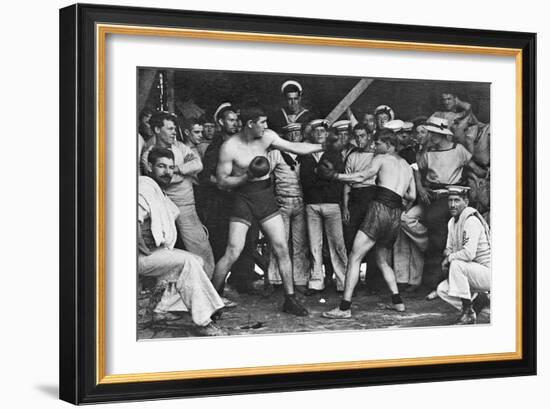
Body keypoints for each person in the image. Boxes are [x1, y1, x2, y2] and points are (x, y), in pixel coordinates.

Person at [211, 105, 325, 316]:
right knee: (233, 250)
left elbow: (294, 147)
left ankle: (290, 300)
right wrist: (246, 177)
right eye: (261, 122)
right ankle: (211, 300)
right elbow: (221, 182)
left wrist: (322, 146)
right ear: (250, 124)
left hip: (264, 196)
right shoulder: (230, 147)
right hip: (243, 197)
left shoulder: (267, 137)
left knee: (281, 246)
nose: (266, 126)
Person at [321, 129, 416, 318]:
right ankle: (398, 303)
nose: (375, 146)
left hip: (380, 209)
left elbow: (361, 177)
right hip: (395, 213)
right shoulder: (406, 165)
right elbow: (411, 195)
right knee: (382, 259)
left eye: (378, 143)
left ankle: (344, 308)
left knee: (355, 256)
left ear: (388, 145)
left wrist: (335, 176)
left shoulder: (381, 158)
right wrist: (394, 192)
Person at [138, 147, 227, 336]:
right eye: (161, 166)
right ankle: (203, 321)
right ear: (149, 166)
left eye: (171, 167)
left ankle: (161, 310)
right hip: (137, 257)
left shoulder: (158, 190)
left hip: (153, 253)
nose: (167, 172)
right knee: (187, 262)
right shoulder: (144, 186)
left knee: (197, 260)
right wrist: (140, 247)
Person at [141, 111, 215, 278]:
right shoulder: (149, 152)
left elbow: (198, 164)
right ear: (157, 129)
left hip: (186, 204)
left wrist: (178, 169)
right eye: (170, 129)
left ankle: (210, 288)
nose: (174, 132)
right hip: (164, 208)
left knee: (200, 246)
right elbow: (166, 179)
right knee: (163, 248)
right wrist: (184, 173)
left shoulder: (180, 147)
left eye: (175, 128)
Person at [197, 103, 261, 294]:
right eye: (231, 120)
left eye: (237, 120)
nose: (235, 124)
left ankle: (243, 281)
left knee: (248, 240)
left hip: (242, 199)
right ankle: (217, 289)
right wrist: (223, 184)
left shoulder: (241, 144)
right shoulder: (216, 147)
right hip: (221, 202)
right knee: (222, 243)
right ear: (220, 122)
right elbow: (205, 176)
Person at [299, 120, 348, 294]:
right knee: (314, 245)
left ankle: (343, 282)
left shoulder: (334, 154)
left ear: (327, 134)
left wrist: (319, 177)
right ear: (311, 134)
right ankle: (316, 282)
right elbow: (305, 181)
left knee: (337, 245)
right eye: (316, 131)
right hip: (312, 203)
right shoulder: (305, 155)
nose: (319, 133)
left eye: (323, 131)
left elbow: (338, 179)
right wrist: (322, 177)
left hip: (332, 203)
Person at [436, 186, 491, 324]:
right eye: (450, 200)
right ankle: (477, 305)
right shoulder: (452, 222)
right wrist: (449, 255)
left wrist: (449, 258)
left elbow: (469, 254)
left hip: (488, 272)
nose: (452, 204)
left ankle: (468, 312)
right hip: (472, 272)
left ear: (466, 202)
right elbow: (448, 249)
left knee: (456, 264)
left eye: (457, 200)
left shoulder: (470, 221)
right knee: (442, 289)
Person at [266, 122, 311, 290]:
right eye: (290, 134)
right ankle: (275, 279)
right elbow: (266, 176)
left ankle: (300, 280)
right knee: (279, 243)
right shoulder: (276, 154)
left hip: (300, 201)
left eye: (297, 133)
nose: (294, 137)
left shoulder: (305, 153)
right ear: (286, 136)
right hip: (282, 201)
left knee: (300, 244)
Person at [342, 125, 377, 252]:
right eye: (356, 137)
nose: (359, 140)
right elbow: (347, 183)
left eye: (362, 136)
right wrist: (345, 207)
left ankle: (371, 272)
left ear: (369, 136)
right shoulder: (352, 156)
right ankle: (353, 269)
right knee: (351, 235)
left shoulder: (376, 156)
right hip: (355, 198)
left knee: (371, 235)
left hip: (371, 196)